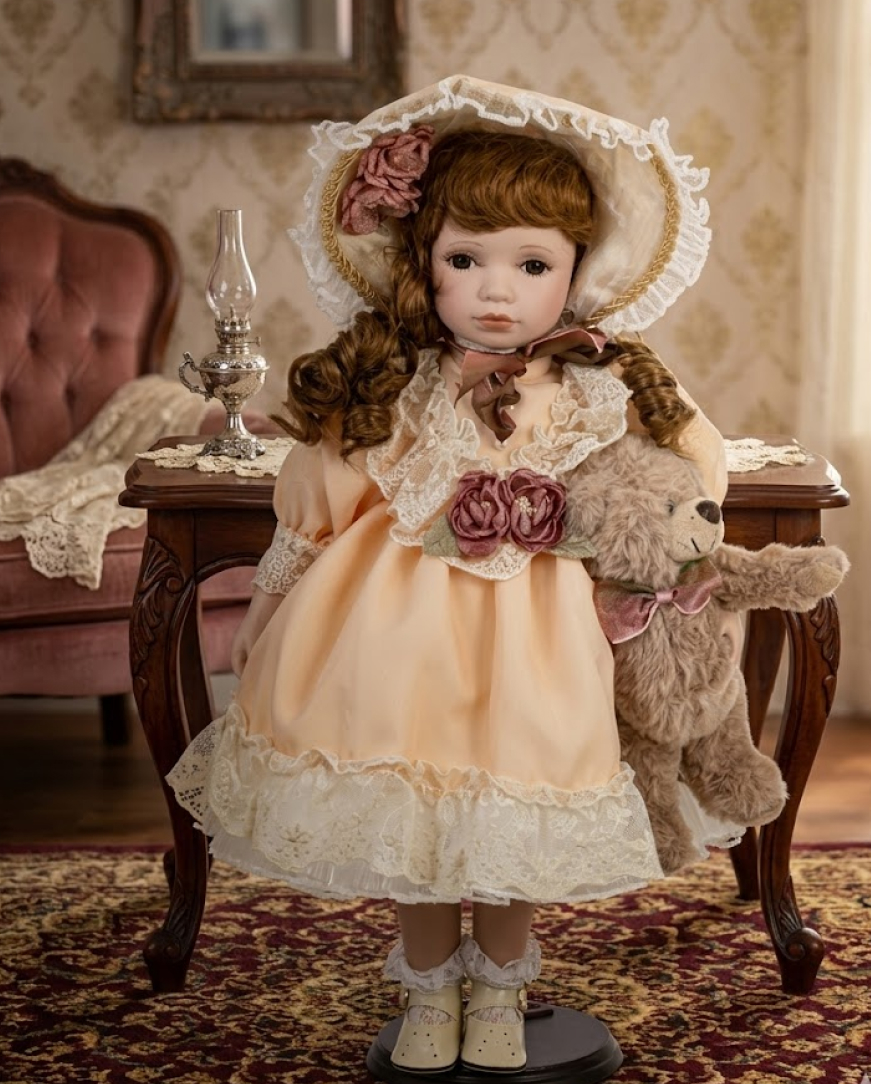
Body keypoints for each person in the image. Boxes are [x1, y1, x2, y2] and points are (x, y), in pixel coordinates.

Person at [168, 76, 729, 1074]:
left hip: (542, 644)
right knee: (414, 820)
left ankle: (501, 991)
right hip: (396, 638)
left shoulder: (598, 388)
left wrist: (652, 555)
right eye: (465, 260)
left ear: (577, 272)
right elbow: (320, 493)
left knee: (517, 808)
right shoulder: (401, 383)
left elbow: (693, 464)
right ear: (424, 264)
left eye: (531, 264)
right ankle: (429, 992)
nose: (496, 291)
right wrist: (267, 602)